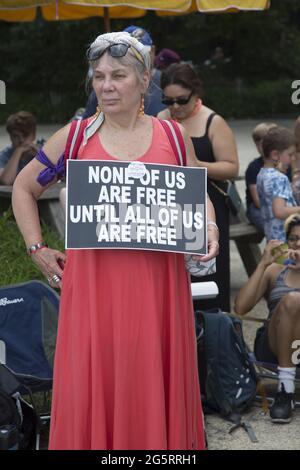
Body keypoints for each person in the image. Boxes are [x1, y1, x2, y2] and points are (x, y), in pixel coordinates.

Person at [12, 31, 219, 450]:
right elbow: (23, 187)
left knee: (152, 378)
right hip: (94, 290)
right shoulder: (75, 138)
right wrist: (37, 247)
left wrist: (209, 226)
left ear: (144, 81)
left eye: (118, 75)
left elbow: (196, 195)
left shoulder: (173, 137)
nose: (105, 85)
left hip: (159, 289)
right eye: (99, 75)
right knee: (98, 380)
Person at [158, 63, 239, 312]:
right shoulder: (161, 120)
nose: (175, 107)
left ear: (195, 93)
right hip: (170, 206)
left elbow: (231, 168)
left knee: (209, 274)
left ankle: (215, 334)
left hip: (209, 204)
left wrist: (194, 165)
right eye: (168, 101)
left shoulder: (212, 122)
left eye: (181, 100)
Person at [235, 214, 300, 423]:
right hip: (273, 346)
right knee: (291, 300)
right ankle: (285, 390)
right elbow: (240, 308)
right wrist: (263, 264)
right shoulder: (275, 271)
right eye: (293, 239)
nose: (297, 244)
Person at [82, 26, 174, 118]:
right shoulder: (102, 89)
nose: (138, 59)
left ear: (153, 51)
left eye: (142, 52)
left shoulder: (168, 81)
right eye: (130, 54)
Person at [257, 126, 300, 242]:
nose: (293, 158)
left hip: (272, 238)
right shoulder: (280, 178)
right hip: (285, 240)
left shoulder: (262, 174)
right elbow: (279, 211)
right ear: (275, 155)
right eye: (290, 155)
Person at [245, 122, 277, 232]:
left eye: (266, 143)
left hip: (280, 206)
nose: (261, 147)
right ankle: (277, 247)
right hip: (258, 209)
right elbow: (258, 201)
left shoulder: (284, 165)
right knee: (274, 226)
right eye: (257, 143)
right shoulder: (254, 167)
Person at [0, 111, 38, 185]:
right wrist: (18, 152)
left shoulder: (41, 152)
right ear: (10, 137)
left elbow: (60, 177)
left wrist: (40, 156)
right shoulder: (4, 155)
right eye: (16, 136)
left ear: (33, 136)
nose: (21, 140)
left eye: (25, 135)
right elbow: (6, 181)